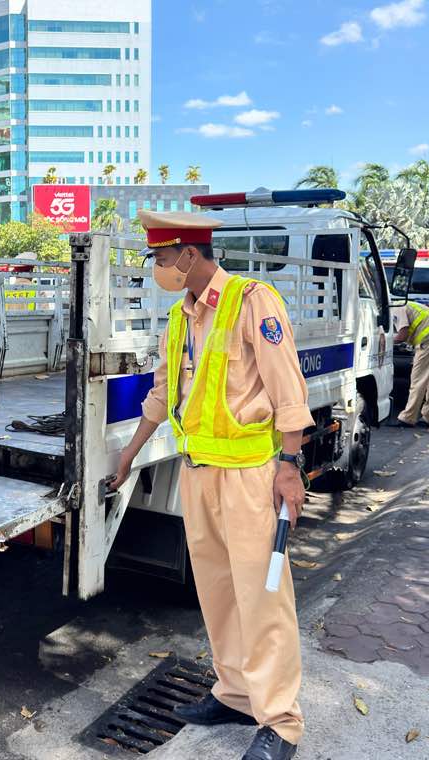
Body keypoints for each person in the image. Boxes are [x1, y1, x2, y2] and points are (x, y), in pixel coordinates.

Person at [110, 210, 311, 760]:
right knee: (219, 594)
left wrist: (290, 466)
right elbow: (161, 394)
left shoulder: (252, 301)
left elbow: (286, 387)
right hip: (198, 471)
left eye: (161, 257)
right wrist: (129, 455)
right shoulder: (180, 318)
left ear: (189, 255)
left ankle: (281, 722)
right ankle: (237, 693)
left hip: (251, 476)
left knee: (263, 598)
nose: (158, 268)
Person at [391, 300, 429, 429]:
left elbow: (402, 335)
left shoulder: (396, 308)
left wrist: (386, 340)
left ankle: (408, 418)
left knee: (418, 380)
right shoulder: (407, 304)